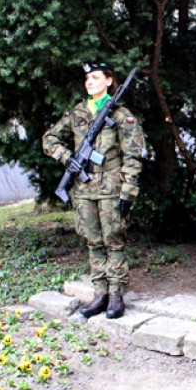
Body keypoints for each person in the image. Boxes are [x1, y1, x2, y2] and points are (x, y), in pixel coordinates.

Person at [42, 61, 145, 319]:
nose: (90, 82)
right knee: (93, 242)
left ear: (109, 81)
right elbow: (49, 139)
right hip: (84, 189)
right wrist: (67, 158)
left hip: (111, 187)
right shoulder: (77, 113)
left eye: (96, 77)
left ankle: (116, 296)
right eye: (87, 78)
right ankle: (100, 294)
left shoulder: (121, 115)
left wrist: (128, 190)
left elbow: (132, 156)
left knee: (114, 241)